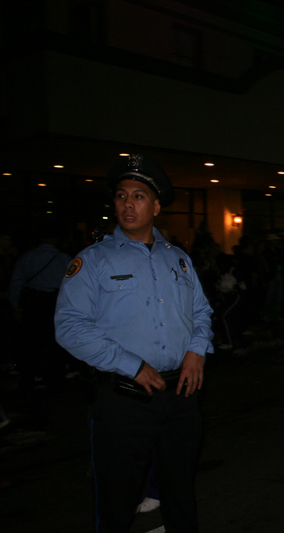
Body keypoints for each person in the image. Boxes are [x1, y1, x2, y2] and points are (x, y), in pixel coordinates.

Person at [54, 154, 214, 532]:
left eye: (139, 196)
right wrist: (131, 364)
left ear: (156, 206)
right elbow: (69, 326)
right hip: (124, 399)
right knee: (116, 503)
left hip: (180, 395)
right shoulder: (92, 261)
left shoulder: (179, 260)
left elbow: (202, 313)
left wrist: (196, 351)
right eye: (122, 195)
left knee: (181, 496)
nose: (128, 203)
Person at [9, 225, 72, 387]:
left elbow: (16, 282)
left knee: (31, 341)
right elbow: (73, 284)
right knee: (54, 341)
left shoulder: (28, 256)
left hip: (33, 302)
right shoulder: (63, 258)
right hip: (54, 302)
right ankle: (55, 376)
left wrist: (15, 305)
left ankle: (29, 375)